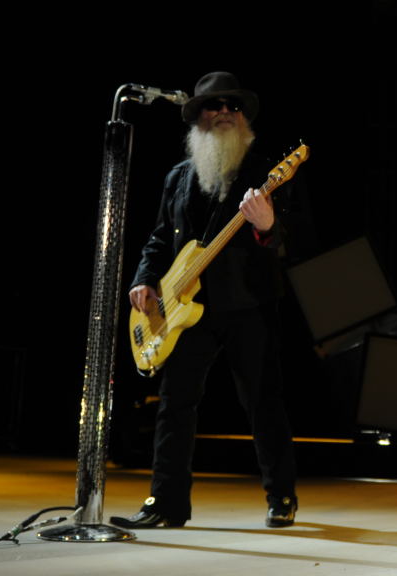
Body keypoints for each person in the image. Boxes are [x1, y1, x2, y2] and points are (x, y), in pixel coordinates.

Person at [111, 71, 300, 529]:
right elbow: (160, 238)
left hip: (247, 302)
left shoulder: (266, 173)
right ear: (198, 117)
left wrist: (267, 225)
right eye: (215, 106)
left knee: (262, 400)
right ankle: (166, 503)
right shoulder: (177, 177)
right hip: (182, 306)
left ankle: (281, 496)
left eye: (233, 106)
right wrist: (144, 279)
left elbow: (290, 241)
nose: (225, 113)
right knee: (174, 403)